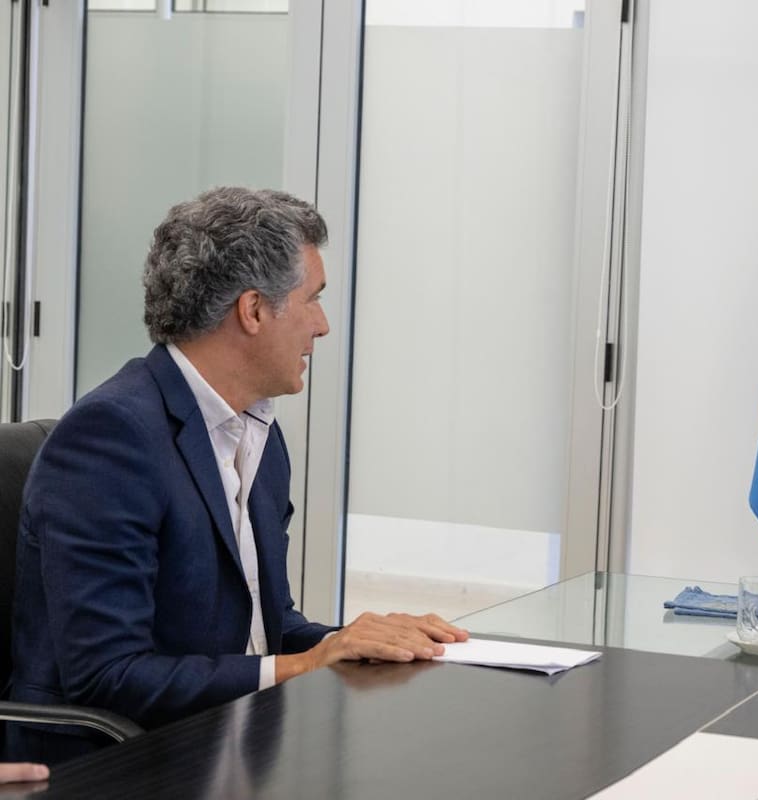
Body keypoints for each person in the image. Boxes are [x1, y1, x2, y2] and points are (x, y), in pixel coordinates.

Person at [8, 187, 468, 759]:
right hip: (118, 762)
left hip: (229, 744)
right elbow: (110, 677)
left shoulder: (256, 429)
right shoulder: (111, 437)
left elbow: (263, 627)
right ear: (253, 311)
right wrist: (307, 663)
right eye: (312, 300)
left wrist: (355, 640)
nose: (322, 326)